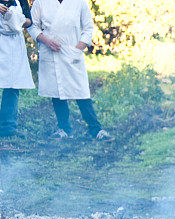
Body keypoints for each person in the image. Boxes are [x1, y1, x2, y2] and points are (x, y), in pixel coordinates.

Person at [28, 0, 113, 140]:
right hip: (50, 51)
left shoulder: (79, 2)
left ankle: (96, 129)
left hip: (72, 51)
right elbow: (32, 26)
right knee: (56, 91)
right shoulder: (41, 2)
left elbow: (88, 28)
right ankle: (64, 129)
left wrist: (77, 48)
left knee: (81, 91)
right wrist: (46, 41)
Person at [0, 0, 34, 138]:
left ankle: (7, 126)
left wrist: (18, 18)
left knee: (12, 84)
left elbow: (29, 21)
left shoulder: (20, 1)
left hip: (15, 43)